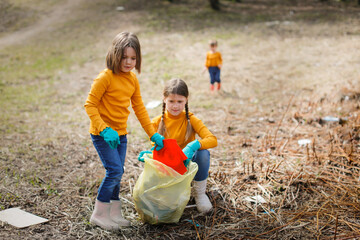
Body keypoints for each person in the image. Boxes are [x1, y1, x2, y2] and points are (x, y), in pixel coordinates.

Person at [84, 32, 165, 230]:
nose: (128, 62)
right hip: (103, 135)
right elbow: (90, 105)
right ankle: (99, 214)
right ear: (115, 55)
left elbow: (139, 108)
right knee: (114, 170)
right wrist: (104, 129)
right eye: (124, 57)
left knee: (118, 173)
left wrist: (152, 133)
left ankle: (113, 212)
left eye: (133, 58)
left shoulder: (132, 80)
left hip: (121, 134)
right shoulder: (105, 77)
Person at [140, 78, 217, 213]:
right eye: (171, 101)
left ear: (186, 100)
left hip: (186, 164)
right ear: (164, 99)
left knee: (203, 153)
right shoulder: (156, 123)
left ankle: (199, 194)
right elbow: (156, 148)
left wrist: (194, 145)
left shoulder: (191, 120)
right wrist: (149, 156)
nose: (175, 106)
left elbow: (212, 140)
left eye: (180, 101)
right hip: (168, 166)